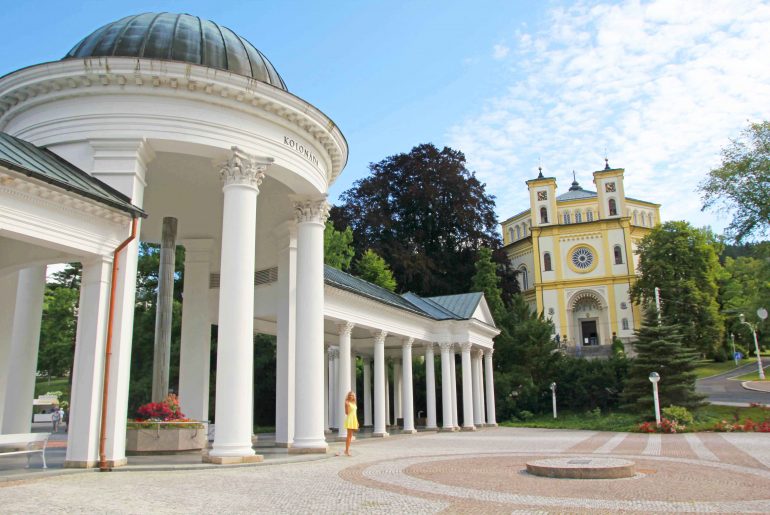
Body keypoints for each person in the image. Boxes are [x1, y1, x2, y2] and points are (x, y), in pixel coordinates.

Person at [343, 391, 358, 456]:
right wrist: (347, 406)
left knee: (350, 436)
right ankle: (346, 451)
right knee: (349, 436)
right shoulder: (347, 403)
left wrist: (357, 421)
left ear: (354, 396)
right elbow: (346, 413)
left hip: (354, 419)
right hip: (350, 419)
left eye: (352, 395)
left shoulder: (354, 403)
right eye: (350, 395)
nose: (351, 396)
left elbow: (355, 413)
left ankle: (346, 450)